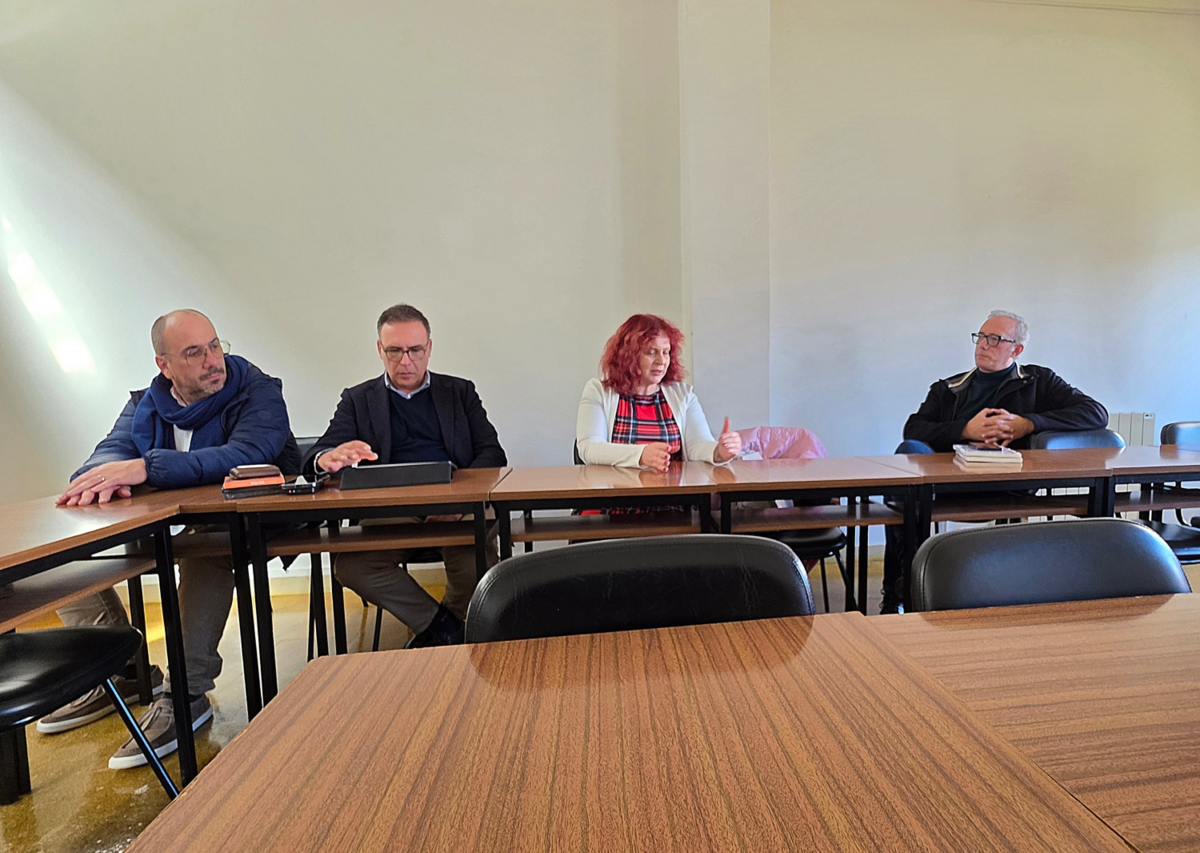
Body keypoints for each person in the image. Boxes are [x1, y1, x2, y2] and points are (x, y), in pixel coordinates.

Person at [45, 309, 300, 769]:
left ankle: (185, 692)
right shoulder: (147, 402)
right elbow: (107, 455)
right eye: (194, 353)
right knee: (61, 550)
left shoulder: (258, 391)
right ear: (164, 365)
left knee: (207, 550)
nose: (213, 360)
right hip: (167, 522)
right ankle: (120, 673)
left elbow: (246, 454)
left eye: (215, 346)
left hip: (243, 524)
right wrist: (100, 477)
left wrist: (146, 468)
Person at [304, 303, 506, 647]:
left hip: (456, 508)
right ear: (380, 350)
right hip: (391, 512)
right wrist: (327, 458)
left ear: (429, 348)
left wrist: (457, 500)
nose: (405, 361)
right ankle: (443, 627)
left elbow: (492, 454)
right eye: (395, 351)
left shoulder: (459, 392)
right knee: (351, 567)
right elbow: (319, 452)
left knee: (476, 564)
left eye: (415, 350)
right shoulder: (358, 400)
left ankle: (449, 630)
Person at [881, 310, 1108, 613]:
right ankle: (902, 588)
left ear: (1017, 349)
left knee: (907, 497)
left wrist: (1028, 424)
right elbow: (913, 429)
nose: (982, 344)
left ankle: (911, 586)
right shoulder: (948, 388)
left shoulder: (1038, 381)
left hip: (1007, 482)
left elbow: (1096, 413)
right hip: (948, 483)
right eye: (980, 337)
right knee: (906, 466)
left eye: (994, 339)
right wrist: (965, 430)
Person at [577, 314, 741, 470]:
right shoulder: (598, 391)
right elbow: (589, 448)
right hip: (618, 488)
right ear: (629, 356)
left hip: (673, 488)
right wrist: (642, 455)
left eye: (666, 352)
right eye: (651, 352)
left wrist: (719, 452)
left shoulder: (684, 395)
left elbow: (698, 445)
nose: (662, 361)